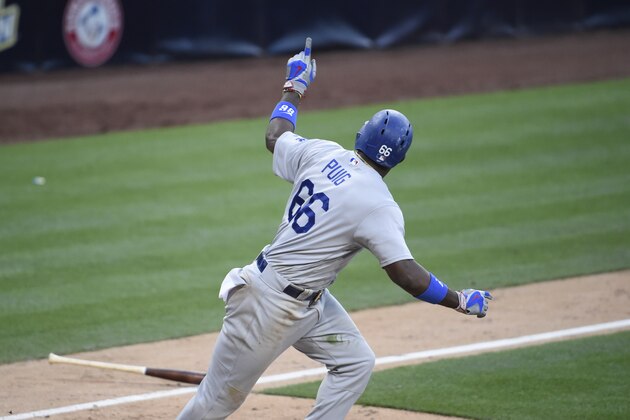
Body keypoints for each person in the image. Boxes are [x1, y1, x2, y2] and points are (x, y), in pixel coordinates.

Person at [178, 38, 492, 420]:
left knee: (355, 362)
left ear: (363, 135)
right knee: (215, 402)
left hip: (307, 303)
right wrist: (458, 300)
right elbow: (406, 275)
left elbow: (274, 136)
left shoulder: (324, 153)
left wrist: (294, 86)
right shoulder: (379, 204)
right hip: (267, 305)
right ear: (399, 159)